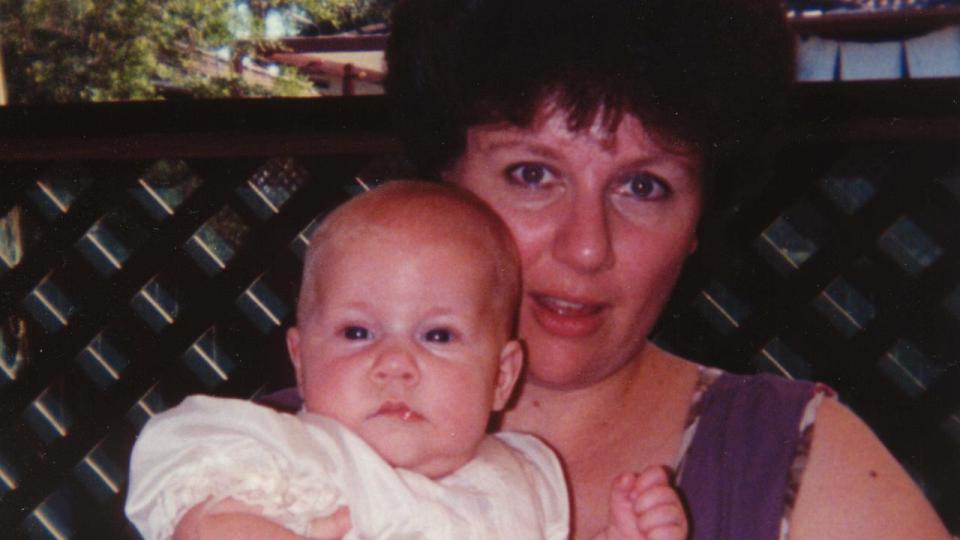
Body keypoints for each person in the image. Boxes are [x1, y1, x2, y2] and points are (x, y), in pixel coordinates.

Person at [176, 0, 955, 538]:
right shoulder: (265, 462)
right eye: (532, 174)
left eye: (644, 186)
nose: (587, 247)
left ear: (697, 223)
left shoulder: (791, 458)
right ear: (441, 180)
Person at [127, 181, 689, 540]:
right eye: (357, 331)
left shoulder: (524, 478)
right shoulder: (296, 456)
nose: (394, 364)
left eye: (439, 336)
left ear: (501, 377)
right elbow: (186, 459)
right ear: (300, 359)